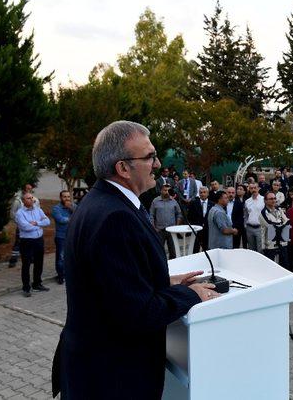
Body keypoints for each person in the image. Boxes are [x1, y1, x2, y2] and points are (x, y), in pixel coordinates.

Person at [52, 121, 217, 399]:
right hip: (112, 379)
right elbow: (137, 314)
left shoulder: (102, 202)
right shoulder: (115, 217)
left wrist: (163, 280)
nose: (157, 163)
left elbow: (112, 284)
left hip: (96, 368)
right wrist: (191, 295)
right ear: (123, 168)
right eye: (150, 156)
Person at [15, 192, 50, 296]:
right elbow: (25, 227)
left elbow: (47, 221)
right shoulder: (19, 213)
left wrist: (37, 223)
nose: (31, 200)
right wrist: (39, 225)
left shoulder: (38, 210)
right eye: (28, 198)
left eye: (32, 198)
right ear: (23, 201)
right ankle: (26, 288)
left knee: (39, 262)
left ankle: (37, 284)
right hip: (27, 242)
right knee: (26, 264)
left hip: (39, 240)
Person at [150, 184, 182, 259]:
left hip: (172, 230)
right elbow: (151, 215)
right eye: (165, 190)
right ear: (161, 191)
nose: (167, 192)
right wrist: (154, 228)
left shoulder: (174, 201)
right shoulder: (155, 201)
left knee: (173, 252)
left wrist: (176, 226)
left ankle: (173, 267)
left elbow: (179, 214)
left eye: (168, 190)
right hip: (160, 230)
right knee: (158, 251)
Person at [259, 192, 290, 269]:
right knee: (271, 267)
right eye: (271, 199)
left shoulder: (279, 210)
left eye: (274, 198)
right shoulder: (263, 213)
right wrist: (281, 224)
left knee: (284, 265)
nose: (273, 200)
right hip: (270, 244)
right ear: (265, 201)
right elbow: (270, 226)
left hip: (282, 242)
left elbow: (287, 221)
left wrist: (281, 225)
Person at [51, 190, 76, 284]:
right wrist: (73, 218)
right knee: (60, 258)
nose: (67, 198)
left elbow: (79, 215)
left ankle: (68, 274)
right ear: (60, 198)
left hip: (71, 236)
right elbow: (61, 220)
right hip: (61, 237)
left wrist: (71, 209)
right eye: (64, 197)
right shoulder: (56, 208)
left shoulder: (73, 207)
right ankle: (60, 276)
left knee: (70, 257)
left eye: (68, 197)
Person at [188, 186, 212, 252]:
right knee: (195, 249)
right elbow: (189, 217)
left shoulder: (212, 204)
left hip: (207, 230)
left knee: (206, 249)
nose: (202, 194)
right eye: (201, 192)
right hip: (197, 230)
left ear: (208, 193)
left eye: (204, 192)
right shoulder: (193, 203)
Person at [244, 182, 265, 253]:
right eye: (251, 188)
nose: (253, 190)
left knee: (260, 250)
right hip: (250, 228)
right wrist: (245, 225)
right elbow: (246, 214)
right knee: (251, 250)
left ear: (258, 188)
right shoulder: (247, 201)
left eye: (255, 188)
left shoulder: (263, 200)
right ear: (249, 189)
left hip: (260, 228)